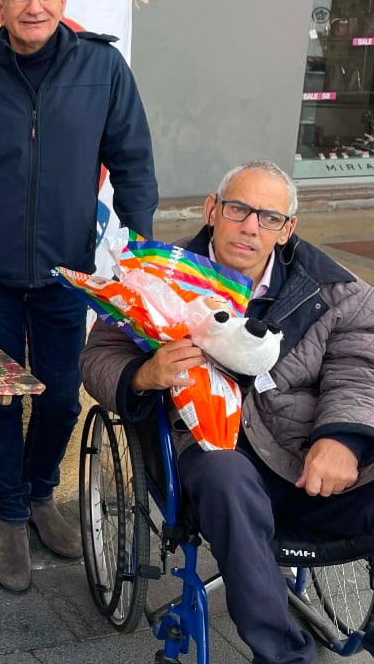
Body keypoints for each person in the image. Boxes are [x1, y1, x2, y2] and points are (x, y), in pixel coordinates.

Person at [81, 160, 374, 664]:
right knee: (227, 475)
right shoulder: (155, 276)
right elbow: (98, 357)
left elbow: (359, 366)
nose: (250, 227)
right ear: (212, 210)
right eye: (238, 209)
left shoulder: (336, 291)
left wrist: (343, 439)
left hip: (303, 457)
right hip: (209, 458)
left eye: (269, 217)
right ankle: (283, 656)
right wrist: (144, 375)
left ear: (287, 231)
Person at [0, 0, 158, 593]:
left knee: (60, 395)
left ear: (63, 2)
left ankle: (40, 495)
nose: (33, 6)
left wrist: (140, 254)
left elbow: (134, 164)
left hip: (68, 272)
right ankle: (9, 516)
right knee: (0, 398)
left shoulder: (103, 68)